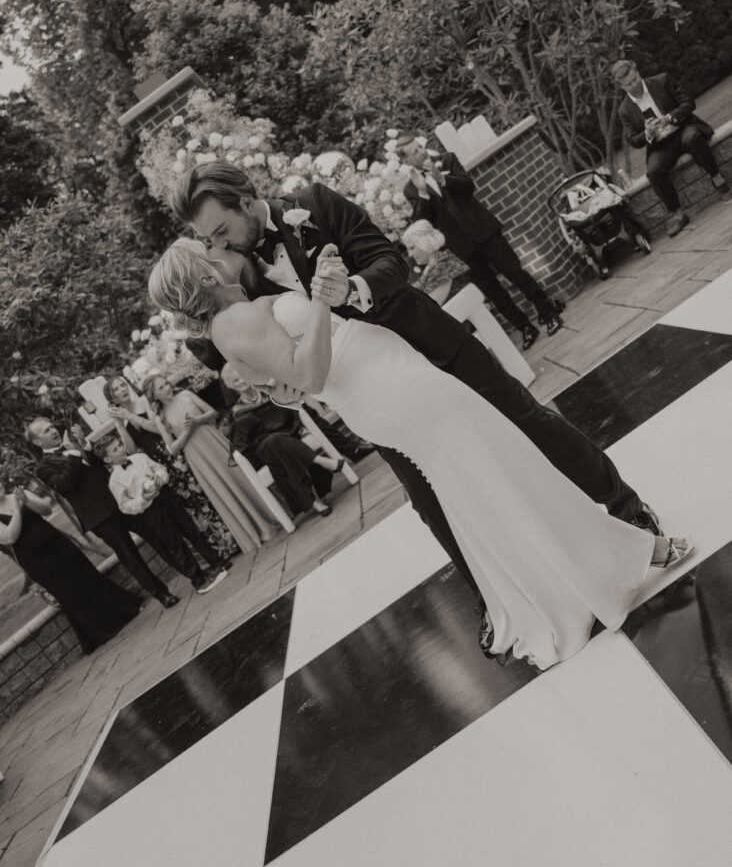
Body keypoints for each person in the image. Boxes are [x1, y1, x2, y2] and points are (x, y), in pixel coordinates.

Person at [165, 162, 663, 646]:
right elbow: (222, 342)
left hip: (426, 344)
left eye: (222, 229)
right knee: (426, 492)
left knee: (524, 422)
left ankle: (625, 505)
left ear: (248, 199)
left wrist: (353, 287)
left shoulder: (314, 205)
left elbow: (391, 262)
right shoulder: (239, 271)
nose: (219, 244)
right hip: (369, 391)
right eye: (209, 239)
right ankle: (492, 598)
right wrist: (276, 387)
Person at [397, 137, 564, 350]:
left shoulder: (446, 160)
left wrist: (442, 179)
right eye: (414, 152)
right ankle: (525, 328)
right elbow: (424, 222)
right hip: (459, 247)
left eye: (420, 146)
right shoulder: (411, 190)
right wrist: (422, 192)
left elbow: (468, 186)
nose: (421, 152)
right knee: (493, 291)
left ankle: (547, 312)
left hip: (484, 231)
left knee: (516, 273)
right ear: (407, 160)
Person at [28, 418, 180, 608]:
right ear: (37, 442)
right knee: (130, 556)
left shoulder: (74, 446)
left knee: (156, 535)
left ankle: (187, 570)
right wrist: (74, 453)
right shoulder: (43, 467)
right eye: (46, 430)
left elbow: (100, 466)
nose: (53, 430)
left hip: (121, 500)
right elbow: (65, 484)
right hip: (99, 516)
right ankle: (161, 594)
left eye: (52, 426)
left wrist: (84, 444)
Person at [0, 476, 142, 654]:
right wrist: (17, 511)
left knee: (87, 576)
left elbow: (46, 510)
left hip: (58, 545)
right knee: (69, 593)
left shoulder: (18, 494)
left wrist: (26, 500)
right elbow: (9, 537)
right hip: (38, 562)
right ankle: (98, 632)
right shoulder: (9, 507)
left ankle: (122, 611)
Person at [141, 375, 280, 554]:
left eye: (166, 383)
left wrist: (198, 421)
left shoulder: (186, 395)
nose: (167, 388)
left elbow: (213, 412)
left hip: (214, 440)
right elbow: (172, 448)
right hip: (197, 455)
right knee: (225, 489)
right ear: (154, 395)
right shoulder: (160, 418)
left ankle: (272, 515)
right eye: (161, 388)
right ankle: (255, 530)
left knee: (240, 476)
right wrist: (185, 432)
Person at [102, 374, 235, 559]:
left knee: (201, 494)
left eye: (122, 385)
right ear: (112, 399)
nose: (122, 390)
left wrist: (131, 416)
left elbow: (159, 428)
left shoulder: (144, 402)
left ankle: (232, 536)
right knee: (188, 506)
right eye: (116, 389)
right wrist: (120, 424)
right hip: (157, 464)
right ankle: (219, 548)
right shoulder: (122, 420)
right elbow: (131, 450)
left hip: (172, 453)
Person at [95, 434, 229, 594]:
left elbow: (160, 469)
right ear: (108, 459)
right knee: (175, 543)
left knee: (191, 529)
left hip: (166, 497)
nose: (121, 449)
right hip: (151, 512)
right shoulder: (115, 481)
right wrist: (142, 498)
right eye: (115, 449)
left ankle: (216, 561)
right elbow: (125, 506)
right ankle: (198, 579)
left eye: (120, 444)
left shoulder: (139, 457)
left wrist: (160, 478)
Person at [611, 59, 730, 237]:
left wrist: (669, 118)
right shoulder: (624, 110)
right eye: (629, 84)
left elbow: (688, 103)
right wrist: (647, 133)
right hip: (661, 145)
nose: (635, 84)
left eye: (636, 78)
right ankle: (678, 214)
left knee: (692, 138)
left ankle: (717, 178)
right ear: (621, 87)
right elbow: (633, 141)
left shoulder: (662, 80)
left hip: (683, 128)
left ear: (637, 72)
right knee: (653, 172)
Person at [223, 364, 344, 517]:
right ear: (231, 387)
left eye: (241, 376)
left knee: (279, 447)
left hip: (285, 440)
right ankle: (321, 461)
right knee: (274, 442)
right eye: (235, 381)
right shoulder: (236, 411)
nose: (241, 381)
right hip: (262, 449)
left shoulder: (267, 393)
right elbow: (242, 444)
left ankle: (313, 503)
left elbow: (291, 414)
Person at [402, 218, 471, 305]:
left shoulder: (444, 263)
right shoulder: (431, 267)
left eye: (412, 248)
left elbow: (432, 306)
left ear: (425, 243)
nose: (410, 255)